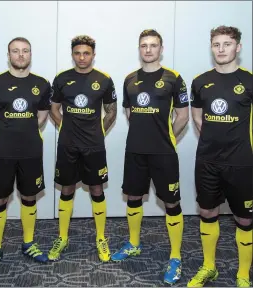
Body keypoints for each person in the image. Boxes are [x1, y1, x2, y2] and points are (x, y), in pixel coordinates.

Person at [111, 29, 189, 285]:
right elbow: (131, 113)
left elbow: (183, 116)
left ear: (161, 49)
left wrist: (167, 138)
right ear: (139, 48)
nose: (148, 49)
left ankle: (175, 256)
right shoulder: (129, 79)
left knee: (171, 203)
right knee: (133, 197)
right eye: (144, 45)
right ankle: (134, 243)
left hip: (164, 153)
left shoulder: (174, 78)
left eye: (153, 45)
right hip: (135, 150)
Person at [0, 37, 52, 277]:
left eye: (25, 51)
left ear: (30, 54)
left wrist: (25, 133)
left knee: (29, 196)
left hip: (31, 151)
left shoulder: (42, 84)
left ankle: (28, 243)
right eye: (15, 51)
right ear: (8, 54)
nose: (21, 55)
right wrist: (5, 135)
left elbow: (42, 116)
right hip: (1, 152)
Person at [188, 25, 252, 288]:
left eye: (227, 44)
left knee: (245, 218)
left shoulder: (249, 81)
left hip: (241, 163)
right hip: (207, 161)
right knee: (207, 211)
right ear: (211, 47)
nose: (221, 49)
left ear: (237, 47)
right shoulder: (200, 81)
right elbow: (197, 117)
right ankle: (209, 267)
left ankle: (243, 274)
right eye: (216, 44)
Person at [48, 35, 117, 262]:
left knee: (96, 189)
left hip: (94, 147)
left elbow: (112, 111)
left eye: (86, 53)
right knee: (66, 189)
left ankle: (100, 237)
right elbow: (54, 109)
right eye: (77, 53)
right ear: (72, 55)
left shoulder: (104, 80)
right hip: (68, 145)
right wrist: (66, 127)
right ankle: (62, 237)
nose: (82, 57)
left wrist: (98, 133)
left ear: (93, 55)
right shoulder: (61, 79)